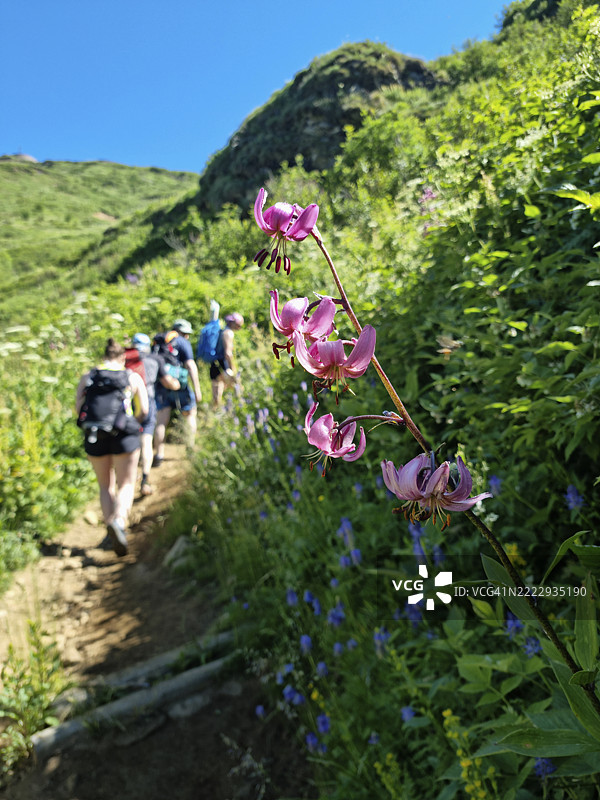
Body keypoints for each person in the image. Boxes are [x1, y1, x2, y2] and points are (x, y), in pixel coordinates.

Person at [75, 338, 149, 557]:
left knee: (105, 485)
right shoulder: (131, 376)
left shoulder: (89, 376)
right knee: (126, 483)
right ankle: (119, 522)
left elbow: (79, 409)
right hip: (124, 434)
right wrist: (132, 423)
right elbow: (144, 410)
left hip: (95, 434)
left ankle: (110, 532)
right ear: (123, 357)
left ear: (104, 356)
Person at [130, 332, 180, 496]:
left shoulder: (126, 360)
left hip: (128, 403)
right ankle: (145, 479)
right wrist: (177, 384)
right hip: (148, 401)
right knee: (146, 440)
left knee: (131, 439)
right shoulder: (155, 359)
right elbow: (167, 381)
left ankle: (129, 476)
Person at [153, 318, 202, 464]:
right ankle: (190, 449)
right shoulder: (182, 342)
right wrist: (197, 389)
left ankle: (159, 455)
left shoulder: (160, 341)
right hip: (179, 385)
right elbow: (190, 365)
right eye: (187, 334)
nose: (187, 337)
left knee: (161, 420)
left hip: (161, 384)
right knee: (190, 414)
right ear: (182, 332)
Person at [210, 312, 244, 409]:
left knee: (217, 391)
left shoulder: (222, 331)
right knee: (238, 387)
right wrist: (232, 368)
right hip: (223, 365)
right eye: (238, 325)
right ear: (233, 323)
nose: (239, 328)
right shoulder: (228, 333)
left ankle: (214, 411)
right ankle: (240, 408)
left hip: (214, 364)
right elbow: (228, 353)